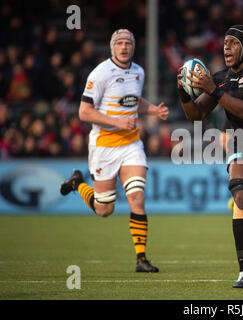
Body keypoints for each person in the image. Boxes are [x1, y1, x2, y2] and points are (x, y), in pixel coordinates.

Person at [177, 25, 243, 288]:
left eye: (233, 43)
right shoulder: (221, 78)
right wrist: (183, 90)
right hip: (242, 143)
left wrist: (213, 90)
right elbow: (196, 116)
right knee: (241, 195)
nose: (226, 47)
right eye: (224, 43)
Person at [59, 29, 169, 273]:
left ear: (133, 47)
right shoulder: (100, 74)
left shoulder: (138, 72)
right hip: (104, 147)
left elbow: (133, 101)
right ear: (112, 47)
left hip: (131, 145)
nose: (124, 47)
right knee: (104, 209)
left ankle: (141, 259)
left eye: (128, 43)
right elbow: (84, 112)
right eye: (119, 43)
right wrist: (119, 122)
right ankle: (78, 184)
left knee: (136, 197)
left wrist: (153, 110)